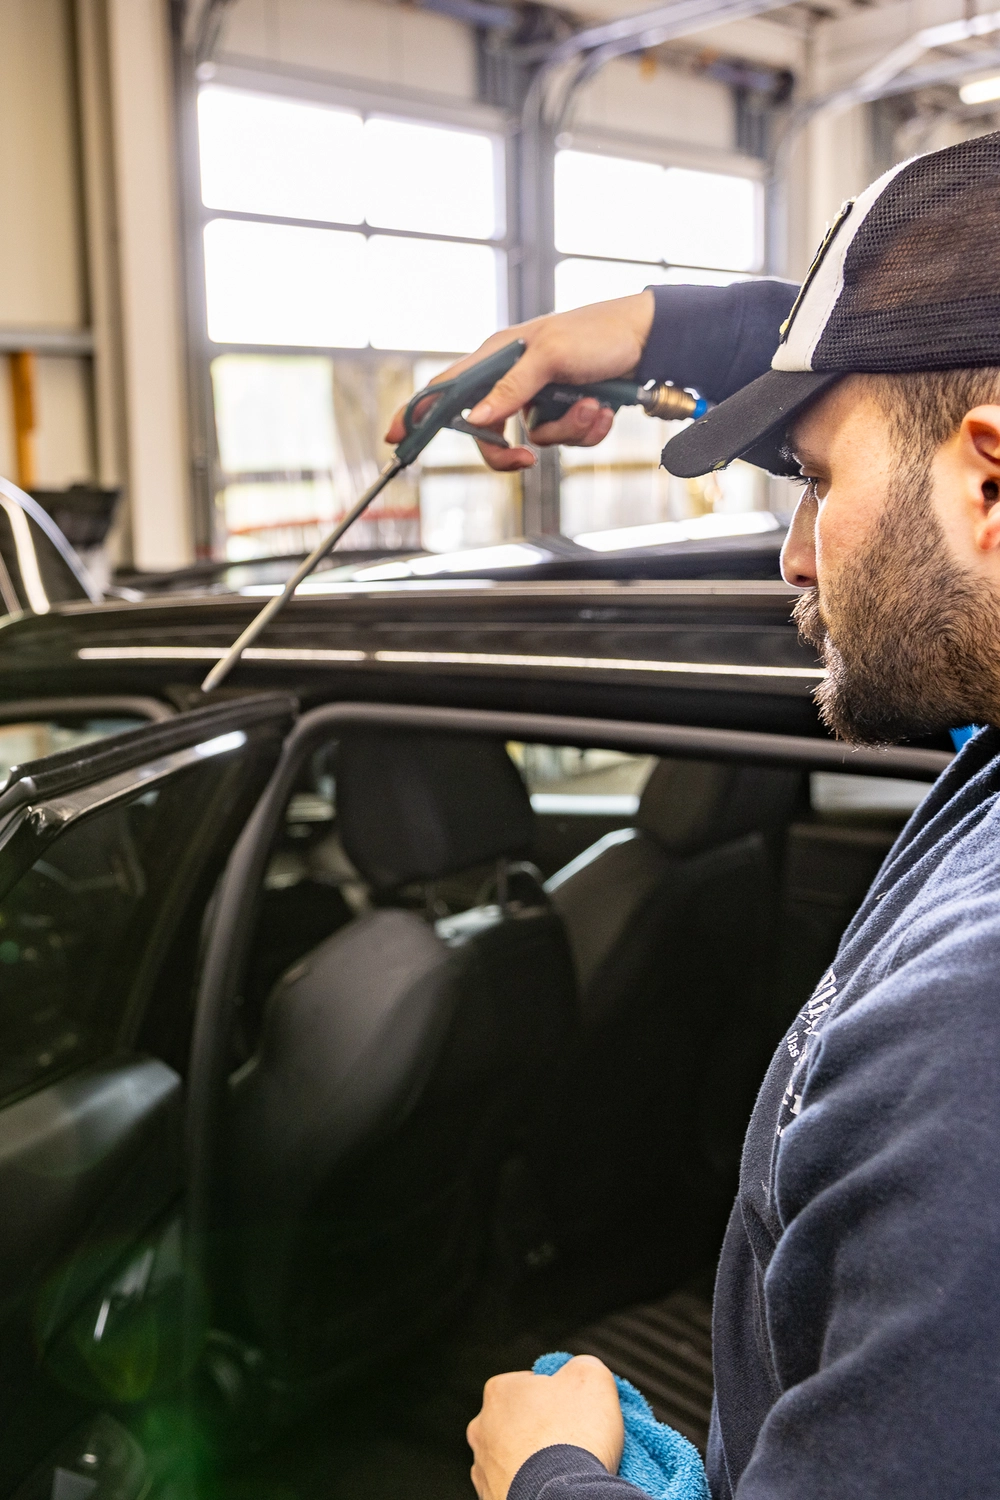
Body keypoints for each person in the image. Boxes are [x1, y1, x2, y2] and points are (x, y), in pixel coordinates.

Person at [388, 131, 1000, 1499]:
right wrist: (642, 335)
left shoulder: (974, 1034)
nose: (792, 552)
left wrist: (553, 1475)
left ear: (991, 480)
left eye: (819, 479)